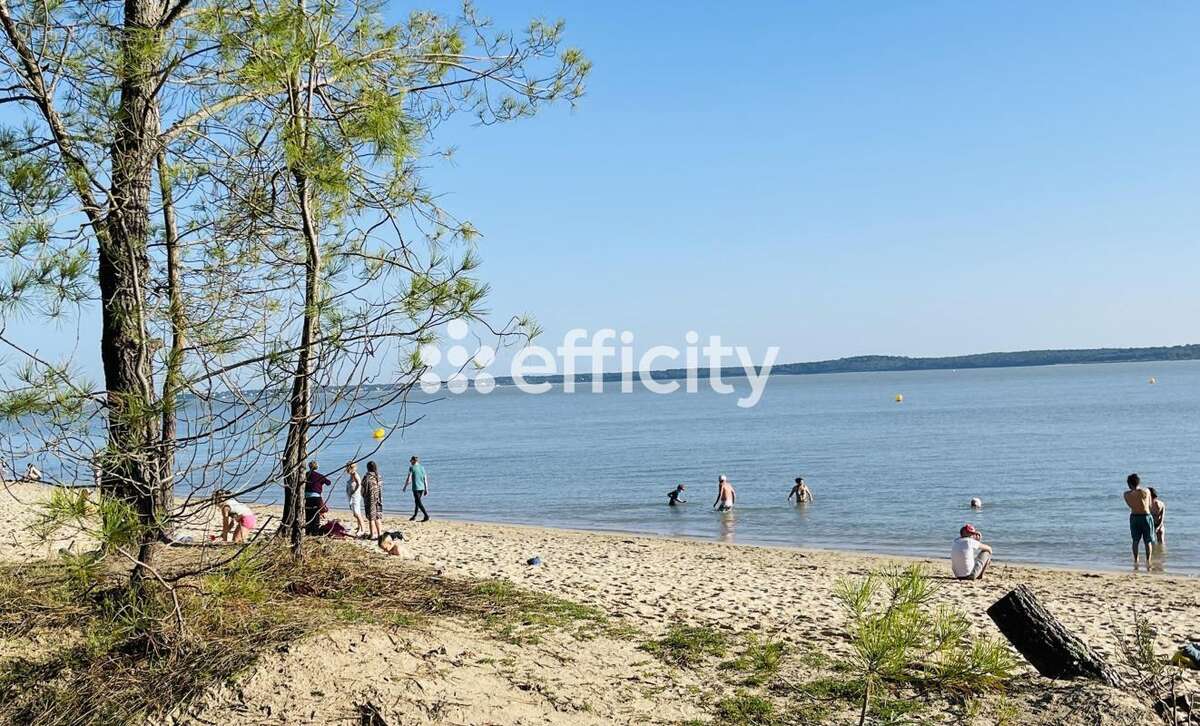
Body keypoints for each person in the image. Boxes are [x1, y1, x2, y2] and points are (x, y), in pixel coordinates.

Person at [1124, 473, 1156, 569]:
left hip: (1134, 516)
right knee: (1148, 541)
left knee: (1135, 540)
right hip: (1145, 516)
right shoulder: (1145, 491)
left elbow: (1130, 505)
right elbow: (1150, 505)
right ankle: (1148, 560)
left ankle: (1136, 560)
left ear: (1129, 484)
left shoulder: (1126, 494)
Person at [304, 461, 332, 536]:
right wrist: (322, 481)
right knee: (316, 514)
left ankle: (308, 532)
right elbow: (328, 483)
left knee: (308, 514)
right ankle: (315, 532)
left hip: (307, 498)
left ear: (309, 466)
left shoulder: (305, 475)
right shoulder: (319, 476)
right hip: (316, 498)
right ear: (317, 467)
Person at [403, 455, 430, 522]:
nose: (410, 462)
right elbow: (425, 479)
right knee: (417, 502)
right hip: (422, 487)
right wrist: (426, 489)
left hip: (416, 487)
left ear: (413, 461)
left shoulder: (411, 468)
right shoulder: (422, 467)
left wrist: (405, 486)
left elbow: (409, 479)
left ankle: (426, 516)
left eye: (411, 461)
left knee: (418, 502)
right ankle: (414, 516)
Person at [345, 462, 366, 537]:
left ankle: (363, 529)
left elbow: (359, 483)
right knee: (355, 513)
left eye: (347, 468)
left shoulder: (355, 474)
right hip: (352, 496)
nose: (346, 470)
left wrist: (354, 491)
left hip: (355, 496)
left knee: (357, 513)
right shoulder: (351, 475)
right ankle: (359, 527)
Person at [363, 460, 383, 539]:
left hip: (370, 499)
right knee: (377, 517)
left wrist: (363, 496)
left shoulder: (367, 477)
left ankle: (372, 535)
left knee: (371, 518)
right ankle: (380, 534)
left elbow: (363, 489)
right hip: (378, 499)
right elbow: (380, 488)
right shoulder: (378, 477)